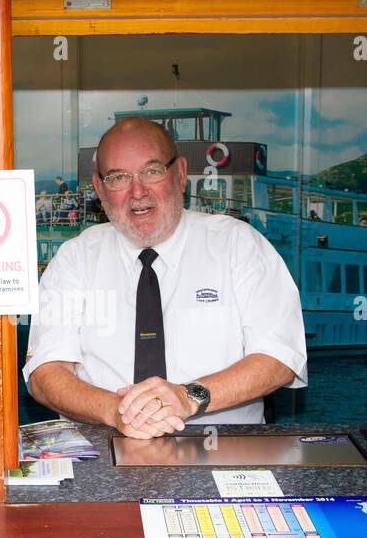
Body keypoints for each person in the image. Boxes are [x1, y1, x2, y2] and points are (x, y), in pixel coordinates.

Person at [23, 117, 306, 438]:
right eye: (118, 178)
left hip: (225, 450)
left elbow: (279, 357)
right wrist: (115, 412)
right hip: (102, 449)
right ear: (100, 189)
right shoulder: (75, 258)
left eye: (152, 171)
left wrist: (187, 397)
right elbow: (46, 373)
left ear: (181, 174)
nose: (138, 191)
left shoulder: (239, 245)